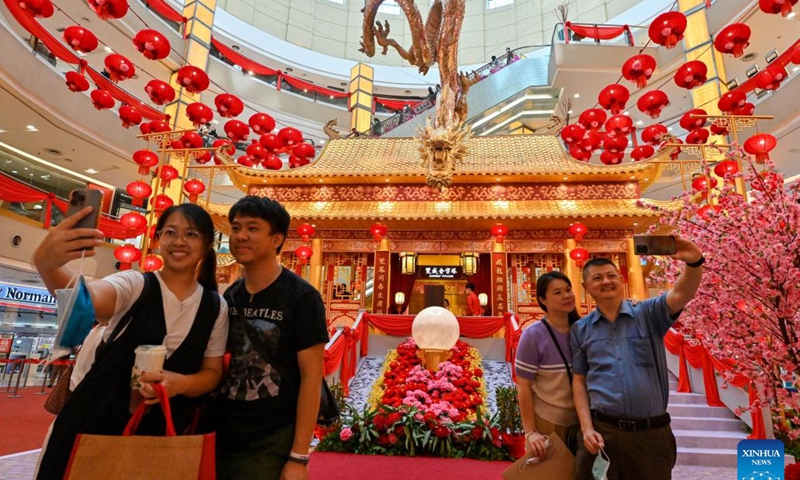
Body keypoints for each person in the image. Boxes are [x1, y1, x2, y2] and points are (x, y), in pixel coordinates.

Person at [32, 204, 228, 479]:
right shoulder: (135, 284)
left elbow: (212, 373)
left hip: (158, 434)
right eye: (171, 232)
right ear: (158, 240)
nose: (180, 241)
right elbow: (87, 300)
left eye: (192, 234)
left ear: (208, 245)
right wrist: (46, 264)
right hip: (94, 423)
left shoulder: (215, 307)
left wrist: (179, 383)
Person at [570, 238, 704, 480]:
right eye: (597, 278)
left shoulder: (648, 313)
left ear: (620, 279)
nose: (606, 281)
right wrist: (587, 428)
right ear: (586, 286)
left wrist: (694, 262)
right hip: (603, 434)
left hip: (650, 435)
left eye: (611, 275)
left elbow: (682, 293)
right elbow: (579, 381)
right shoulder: (581, 330)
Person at [217, 196, 329, 480]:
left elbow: (311, 378)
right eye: (235, 227)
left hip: (273, 437)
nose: (241, 236)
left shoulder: (302, 298)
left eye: (253, 228)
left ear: (276, 239)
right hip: (226, 430)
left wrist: (298, 457)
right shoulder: (231, 296)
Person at [515, 272, 582, 460]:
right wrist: (530, 432)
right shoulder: (533, 335)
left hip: (584, 422)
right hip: (550, 423)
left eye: (568, 290)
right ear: (543, 300)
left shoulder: (584, 329)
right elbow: (524, 386)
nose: (566, 296)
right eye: (558, 292)